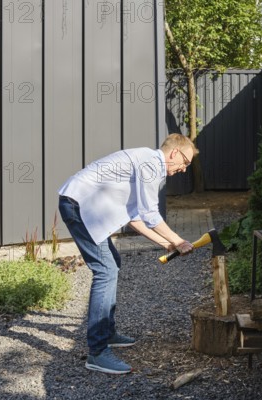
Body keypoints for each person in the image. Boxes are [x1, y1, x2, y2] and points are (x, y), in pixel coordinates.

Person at [58, 133, 197, 374]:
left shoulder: (144, 162)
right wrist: (178, 239)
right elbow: (151, 214)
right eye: (185, 163)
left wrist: (164, 243)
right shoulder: (151, 164)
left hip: (79, 203)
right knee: (106, 270)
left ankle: (107, 332)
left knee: (113, 262)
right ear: (174, 152)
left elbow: (134, 217)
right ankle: (98, 351)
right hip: (78, 204)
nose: (184, 170)